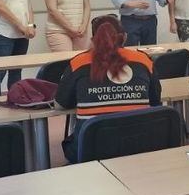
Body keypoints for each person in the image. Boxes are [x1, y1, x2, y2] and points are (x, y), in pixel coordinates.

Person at [56, 16, 161, 164]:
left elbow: (60, 104)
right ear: (124, 37)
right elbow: (155, 101)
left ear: (93, 40)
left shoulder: (78, 63)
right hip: (139, 145)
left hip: (92, 150)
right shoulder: (143, 60)